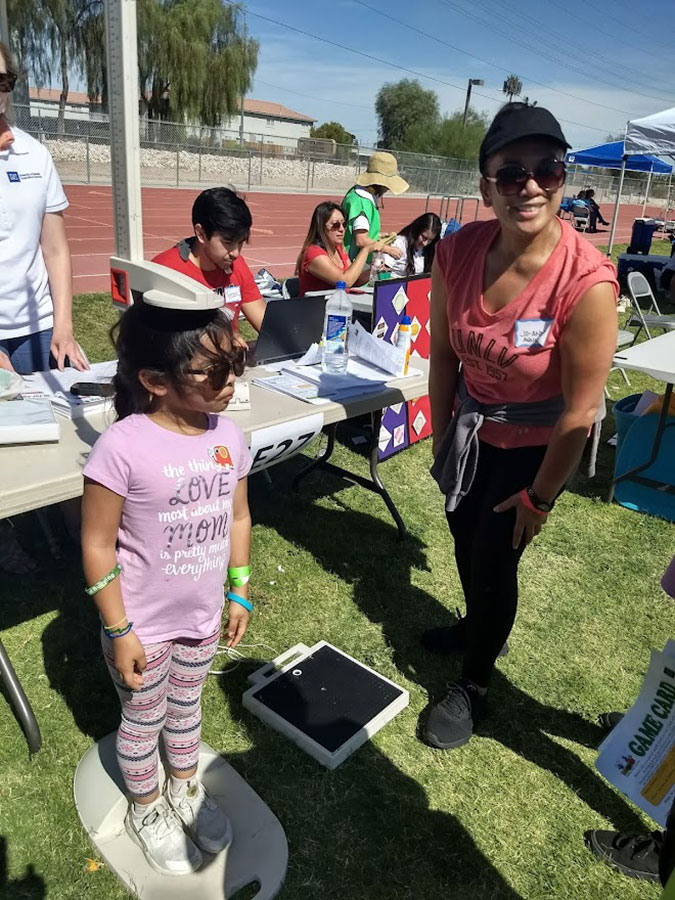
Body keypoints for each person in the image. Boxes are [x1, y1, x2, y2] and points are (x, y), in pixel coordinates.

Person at [421, 102, 619, 750]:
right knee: (459, 534)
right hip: (471, 431)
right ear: (485, 185)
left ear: (562, 177)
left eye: (547, 169)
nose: (529, 185)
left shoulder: (585, 283)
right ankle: (475, 624)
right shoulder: (454, 253)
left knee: (491, 560)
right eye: (510, 173)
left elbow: (579, 411)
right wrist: (441, 438)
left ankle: (473, 684)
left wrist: (540, 496)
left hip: (532, 448)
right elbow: (446, 354)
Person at [81, 297, 252, 875]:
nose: (229, 383)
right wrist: (120, 629)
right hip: (143, 629)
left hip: (201, 619)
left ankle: (183, 788)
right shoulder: (122, 448)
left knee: (186, 711)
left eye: (236, 363)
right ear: (154, 380)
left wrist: (239, 588)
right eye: (212, 371)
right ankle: (147, 805)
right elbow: (97, 545)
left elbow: (237, 517)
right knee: (142, 721)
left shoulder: (230, 436)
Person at [0, 41, 86, 375]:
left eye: (2, 81)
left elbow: (55, 249)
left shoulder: (35, 154)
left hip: (38, 328)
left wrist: (63, 325)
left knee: (54, 421)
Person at [152, 187, 267, 343]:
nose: (236, 253)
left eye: (240, 243)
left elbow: (267, 325)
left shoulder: (237, 265)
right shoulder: (165, 271)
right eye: (228, 243)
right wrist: (223, 343)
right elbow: (160, 344)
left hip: (227, 362)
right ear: (201, 233)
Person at [295, 201, 386, 294]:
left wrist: (373, 270)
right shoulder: (313, 253)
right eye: (336, 225)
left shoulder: (339, 249)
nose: (342, 229)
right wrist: (365, 250)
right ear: (321, 227)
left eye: (344, 224)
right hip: (317, 306)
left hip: (340, 303)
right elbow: (345, 281)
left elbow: (354, 280)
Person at [342, 151, 409, 262]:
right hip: (352, 263)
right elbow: (361, 240)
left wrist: (377, 236)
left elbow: (357, 231)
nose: (387, 189)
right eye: (386, 186)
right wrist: (387, 249)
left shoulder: (355, 192)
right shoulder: (363, 203)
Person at [384, 212, 441, 278]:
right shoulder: (399, 243)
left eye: (430, 240)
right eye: (423, 237)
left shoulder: (430, 248)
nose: (425, 243)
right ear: (417, 230)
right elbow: (383, 272)